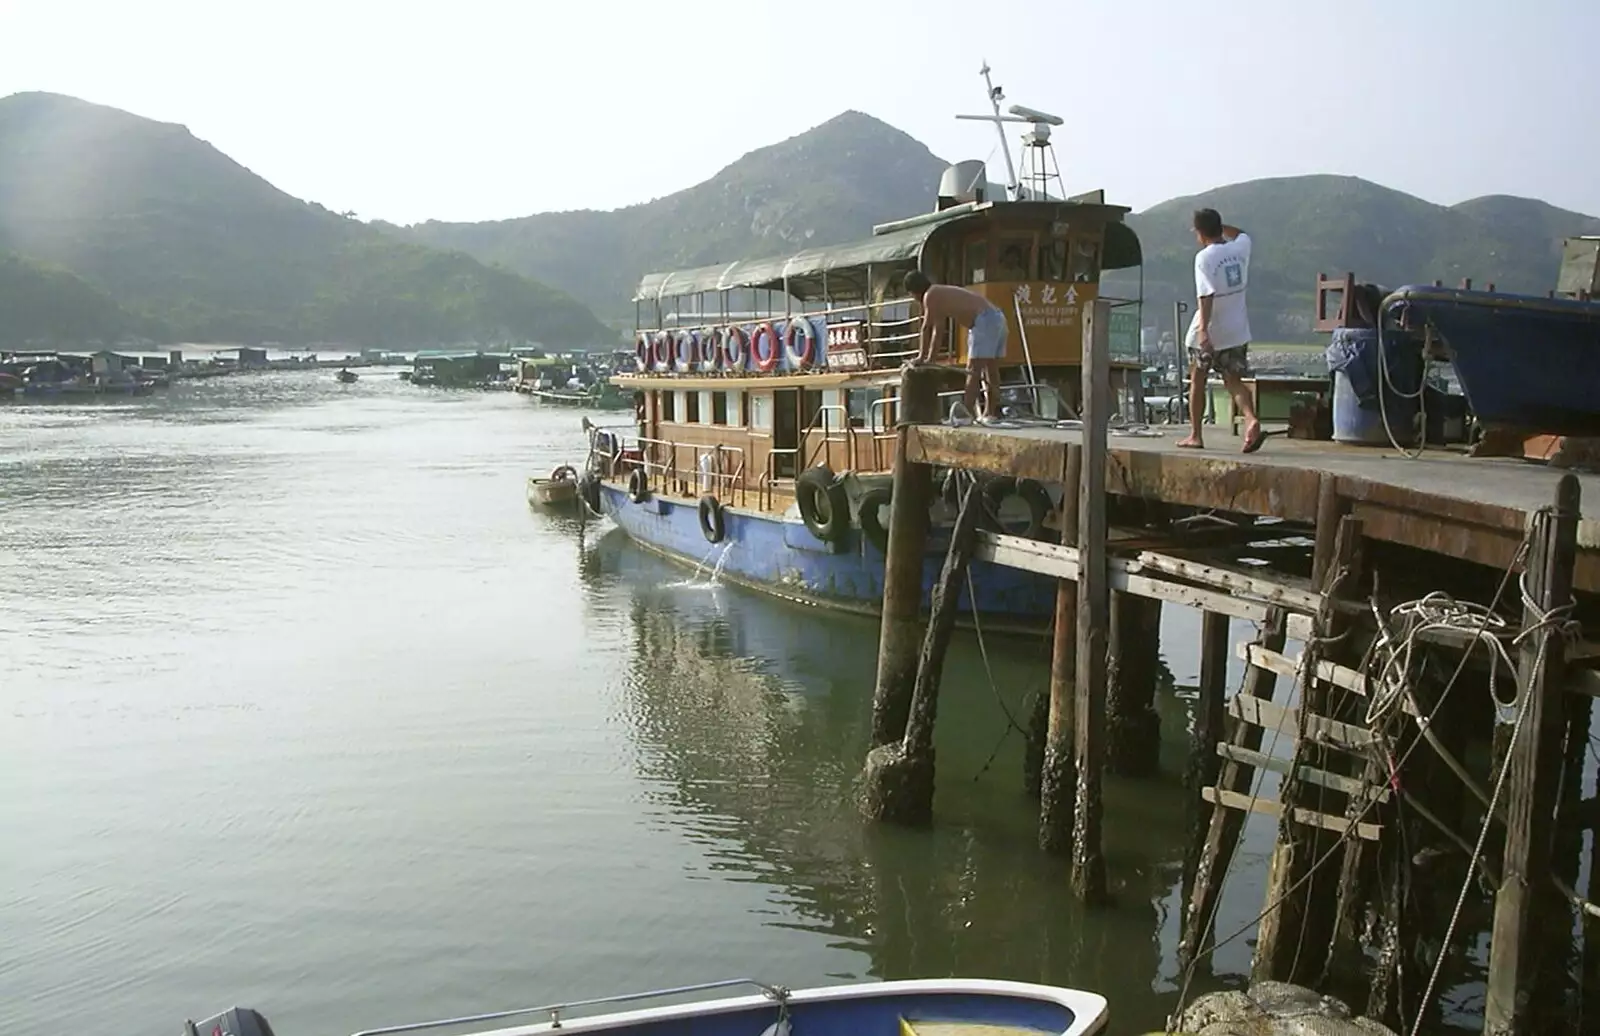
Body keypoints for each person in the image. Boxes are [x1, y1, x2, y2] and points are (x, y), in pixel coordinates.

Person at [1177, 208, 1263, 453]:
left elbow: (1206, 295)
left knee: (1198, 379)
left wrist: (1204, 330)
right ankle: (1250, 418)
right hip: (1237, 330)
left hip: (1210, 332)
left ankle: (1195, 435)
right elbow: (1242, 233)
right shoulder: (1240, 248)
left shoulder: (1204, 258)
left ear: (1200, 233)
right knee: (1233, 381)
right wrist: (1220, 226)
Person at [904, 270, 1007, 426]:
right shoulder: (938, 292)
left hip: (984, 320)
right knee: (990, 369)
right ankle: (990, 413)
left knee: (973, 369)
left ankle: (966, 414)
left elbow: (933, 329)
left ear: (914, 291)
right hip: (997, 317)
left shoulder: (930, 295)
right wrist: (925, 357)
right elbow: (932, 327)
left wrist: (926, 359)